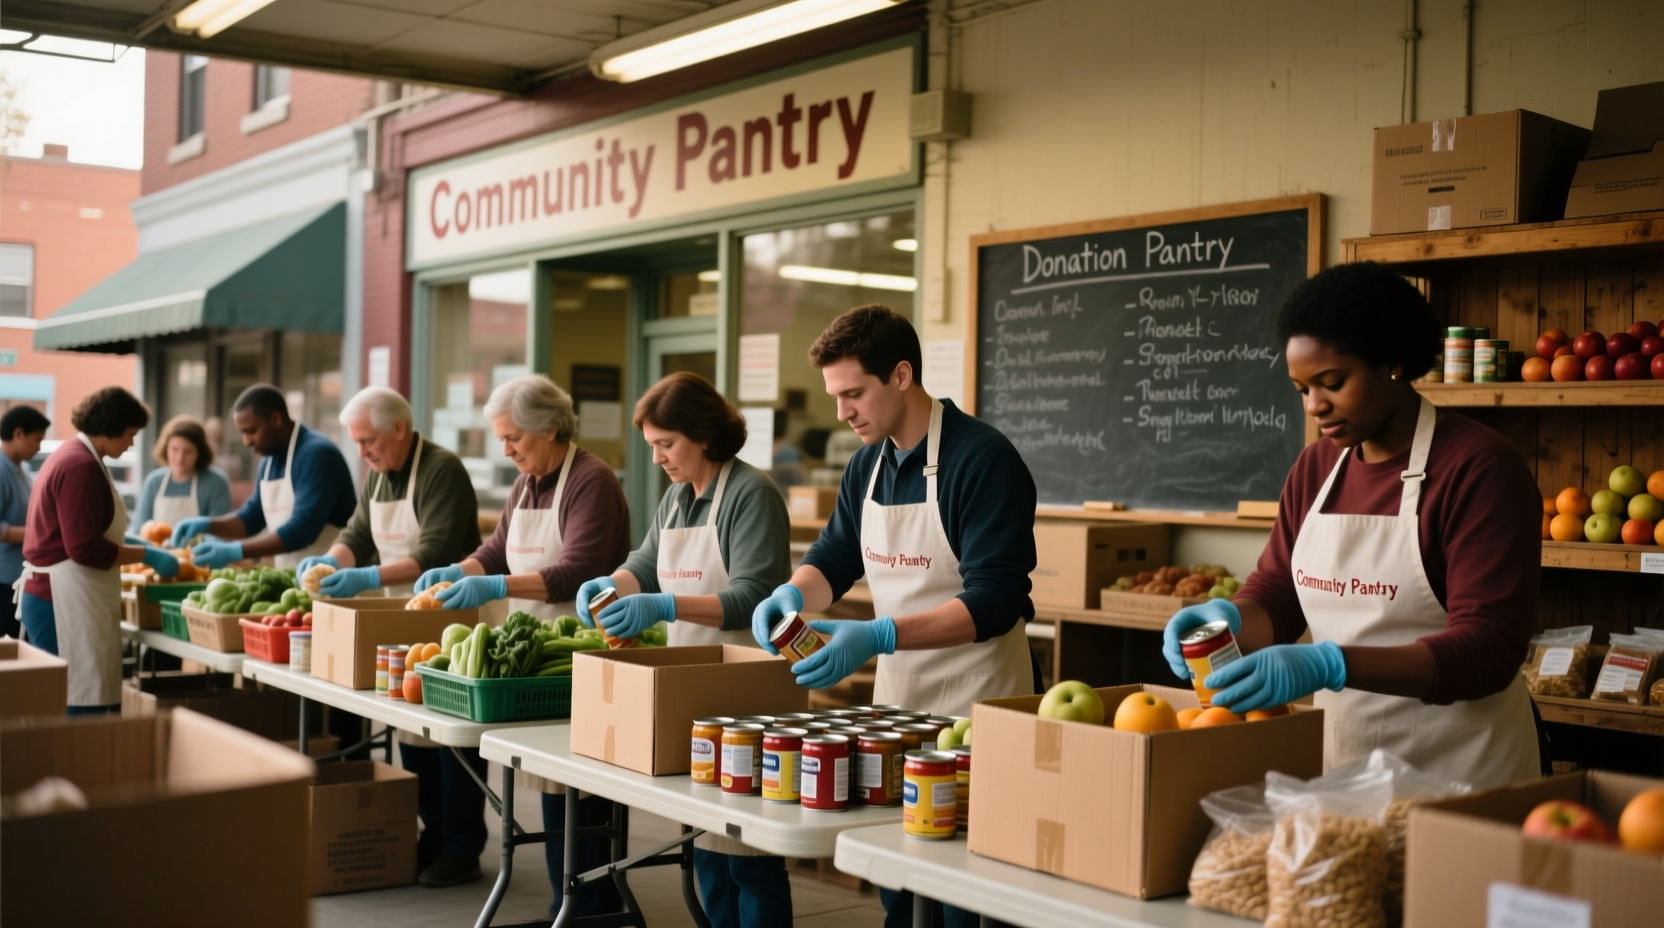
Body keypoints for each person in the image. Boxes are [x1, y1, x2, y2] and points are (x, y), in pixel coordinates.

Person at [1162, 262, 1541, 790]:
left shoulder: (1479, 469)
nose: (1315, 406)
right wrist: (1224, 624)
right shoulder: (1317, 467)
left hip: (1460, 774)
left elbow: (1488, 650)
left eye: (1332, 383)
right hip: (1344, 772)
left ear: (1390, 360)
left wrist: (1330, 664)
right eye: (1301, 389)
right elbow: (1279, 596)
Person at [750, 304, 1039, 928]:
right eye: (836, 396)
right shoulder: (869, 463)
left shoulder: (981, 459)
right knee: (900, 888)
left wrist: (878, 634)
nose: (842, 412)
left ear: (902, 375)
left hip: (978, 708)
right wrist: (793, 594)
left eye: (854, 393)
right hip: (897, 713)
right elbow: (835, 555)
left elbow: (995, 600)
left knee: (966, 900)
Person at [575, 372, 793, 928]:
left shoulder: (751, 493)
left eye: (666, 445)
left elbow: (753, 595)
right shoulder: (677, 497)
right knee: (706, 852)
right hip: (692, 692)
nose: (658, 459)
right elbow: (644, 565)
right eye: (652, 447)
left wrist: (667, 606)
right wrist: (609, 587)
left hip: (748, 694)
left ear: (702, 434)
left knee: (748, 855)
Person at [415, 374, 629, 916]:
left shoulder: (591, 480)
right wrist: (455, 572)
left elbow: (577, 570)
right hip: (534, 656)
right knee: (553, 789)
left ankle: (591, 911)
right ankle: (569, 908)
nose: (506, 449)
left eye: (514, 438)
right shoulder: (527, 483)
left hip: (581, 652)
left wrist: (495, 587)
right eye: (501, 439)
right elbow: (493, 551)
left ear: (551, 428)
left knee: (578, 790)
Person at [295, 386, 487, 888]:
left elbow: (436, 553)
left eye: (367, 441)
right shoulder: (379, 477)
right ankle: (432, 833)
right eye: (356, 443)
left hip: (448, 621)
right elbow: (357, 534)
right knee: (410, 731)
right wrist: (329, 562)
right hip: (399, 619)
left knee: (449, 739)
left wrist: (367, 577)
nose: (361, 452)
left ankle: (462, 846)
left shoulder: (441, 470)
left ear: (398, 428)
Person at [18, 387, 178, 713]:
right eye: (131, 434)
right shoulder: (80, 466)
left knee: (82, 697)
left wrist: (136, 544)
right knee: (78, 700)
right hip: (59, 602)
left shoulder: (83, 457)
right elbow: (85, 548)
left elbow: (92, 530)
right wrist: (148, 556)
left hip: (68, 595)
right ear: (113, 426)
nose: (132, 443)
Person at [170, 385, 355, 569]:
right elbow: (253, 517)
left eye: (251, 431)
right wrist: (208, 524)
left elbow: (303, 530)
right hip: (295, 577)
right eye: (242, 433)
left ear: (275, 419)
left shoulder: (317, 454)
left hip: (336, 578)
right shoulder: (269, 460)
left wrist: (235, 551)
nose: (246, 441)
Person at [134, 415, 234, 530]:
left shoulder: (216, 482)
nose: (180, 458)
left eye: (188, 451)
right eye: (174, 449)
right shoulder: (154, 481)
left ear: (200, 452)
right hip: (155, 547)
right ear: (165, 448)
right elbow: (139, 527)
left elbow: (222, 531)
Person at [0, 406, 48, 640]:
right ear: (18, 433)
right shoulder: (1, 470)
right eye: (37, 439)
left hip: (17, 578)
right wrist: (37, 534)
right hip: (3, 580)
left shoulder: (19, 470)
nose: (39, 446)